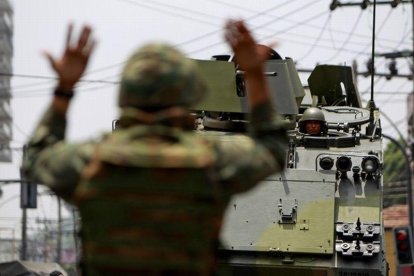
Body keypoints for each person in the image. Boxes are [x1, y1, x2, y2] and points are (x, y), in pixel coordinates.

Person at [22, 20, 288, 275]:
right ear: (189, 93)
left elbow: (35, 156)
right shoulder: (213, 160)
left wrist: (64, 88)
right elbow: (274, 147)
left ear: (125, 92)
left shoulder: (90, 160)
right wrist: (254, 75)